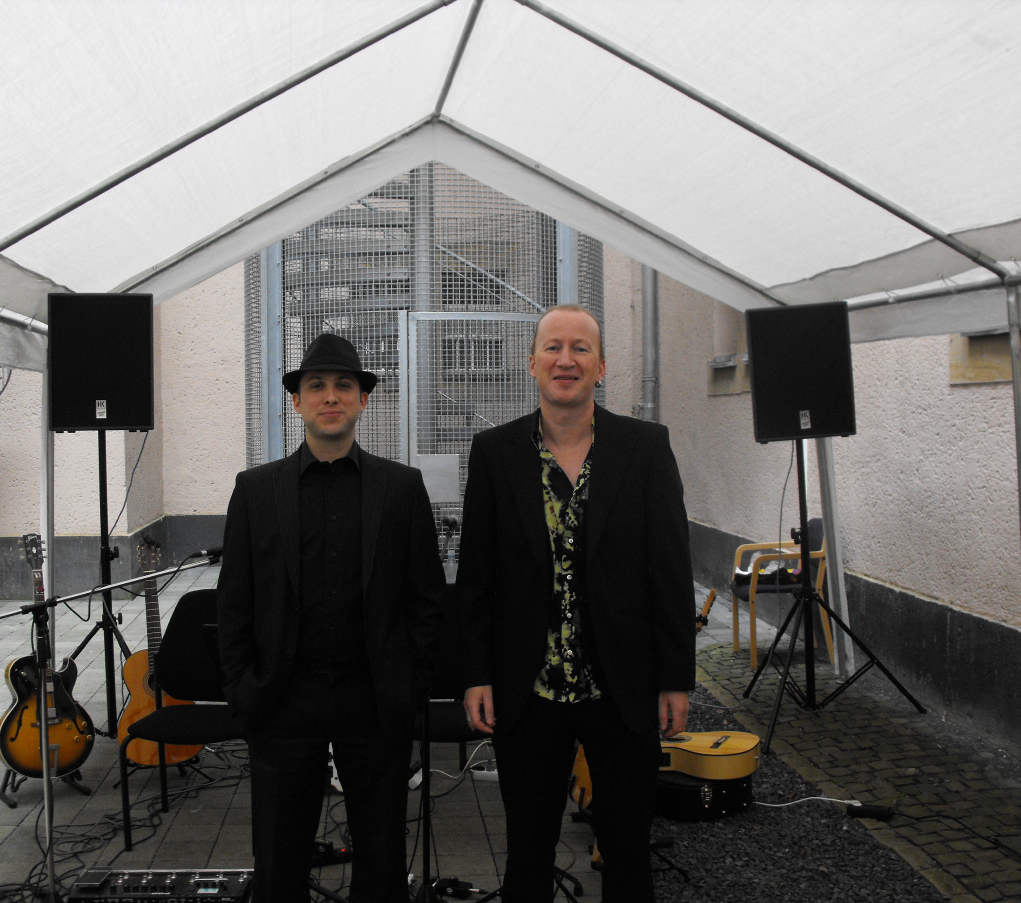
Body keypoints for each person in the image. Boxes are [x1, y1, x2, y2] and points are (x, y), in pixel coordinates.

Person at [458, 304, 697, 902]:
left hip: (621, 689)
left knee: (628, 855)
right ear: (532, 364)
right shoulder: (494, 452)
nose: (566, 360)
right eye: (553, 347)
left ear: (601, 367)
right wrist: (475, 674)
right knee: (527, 855)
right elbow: (476, 577)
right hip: (527, 692)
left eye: (581, 348)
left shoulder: (645, 447)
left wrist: (676, 679)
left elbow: (670, 571)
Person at [216, 332, 445, 903]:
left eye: (344, 385)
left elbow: (426, 597)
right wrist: (244, 689)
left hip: (374, 696)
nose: (331, 396)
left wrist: (412, 684)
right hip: (283, 697)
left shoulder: (402, 488)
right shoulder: (255, 490)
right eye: (316, 386)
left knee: (382, 855)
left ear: (363, 399)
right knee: (278, 857)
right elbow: (235, 599)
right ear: (297, 401)